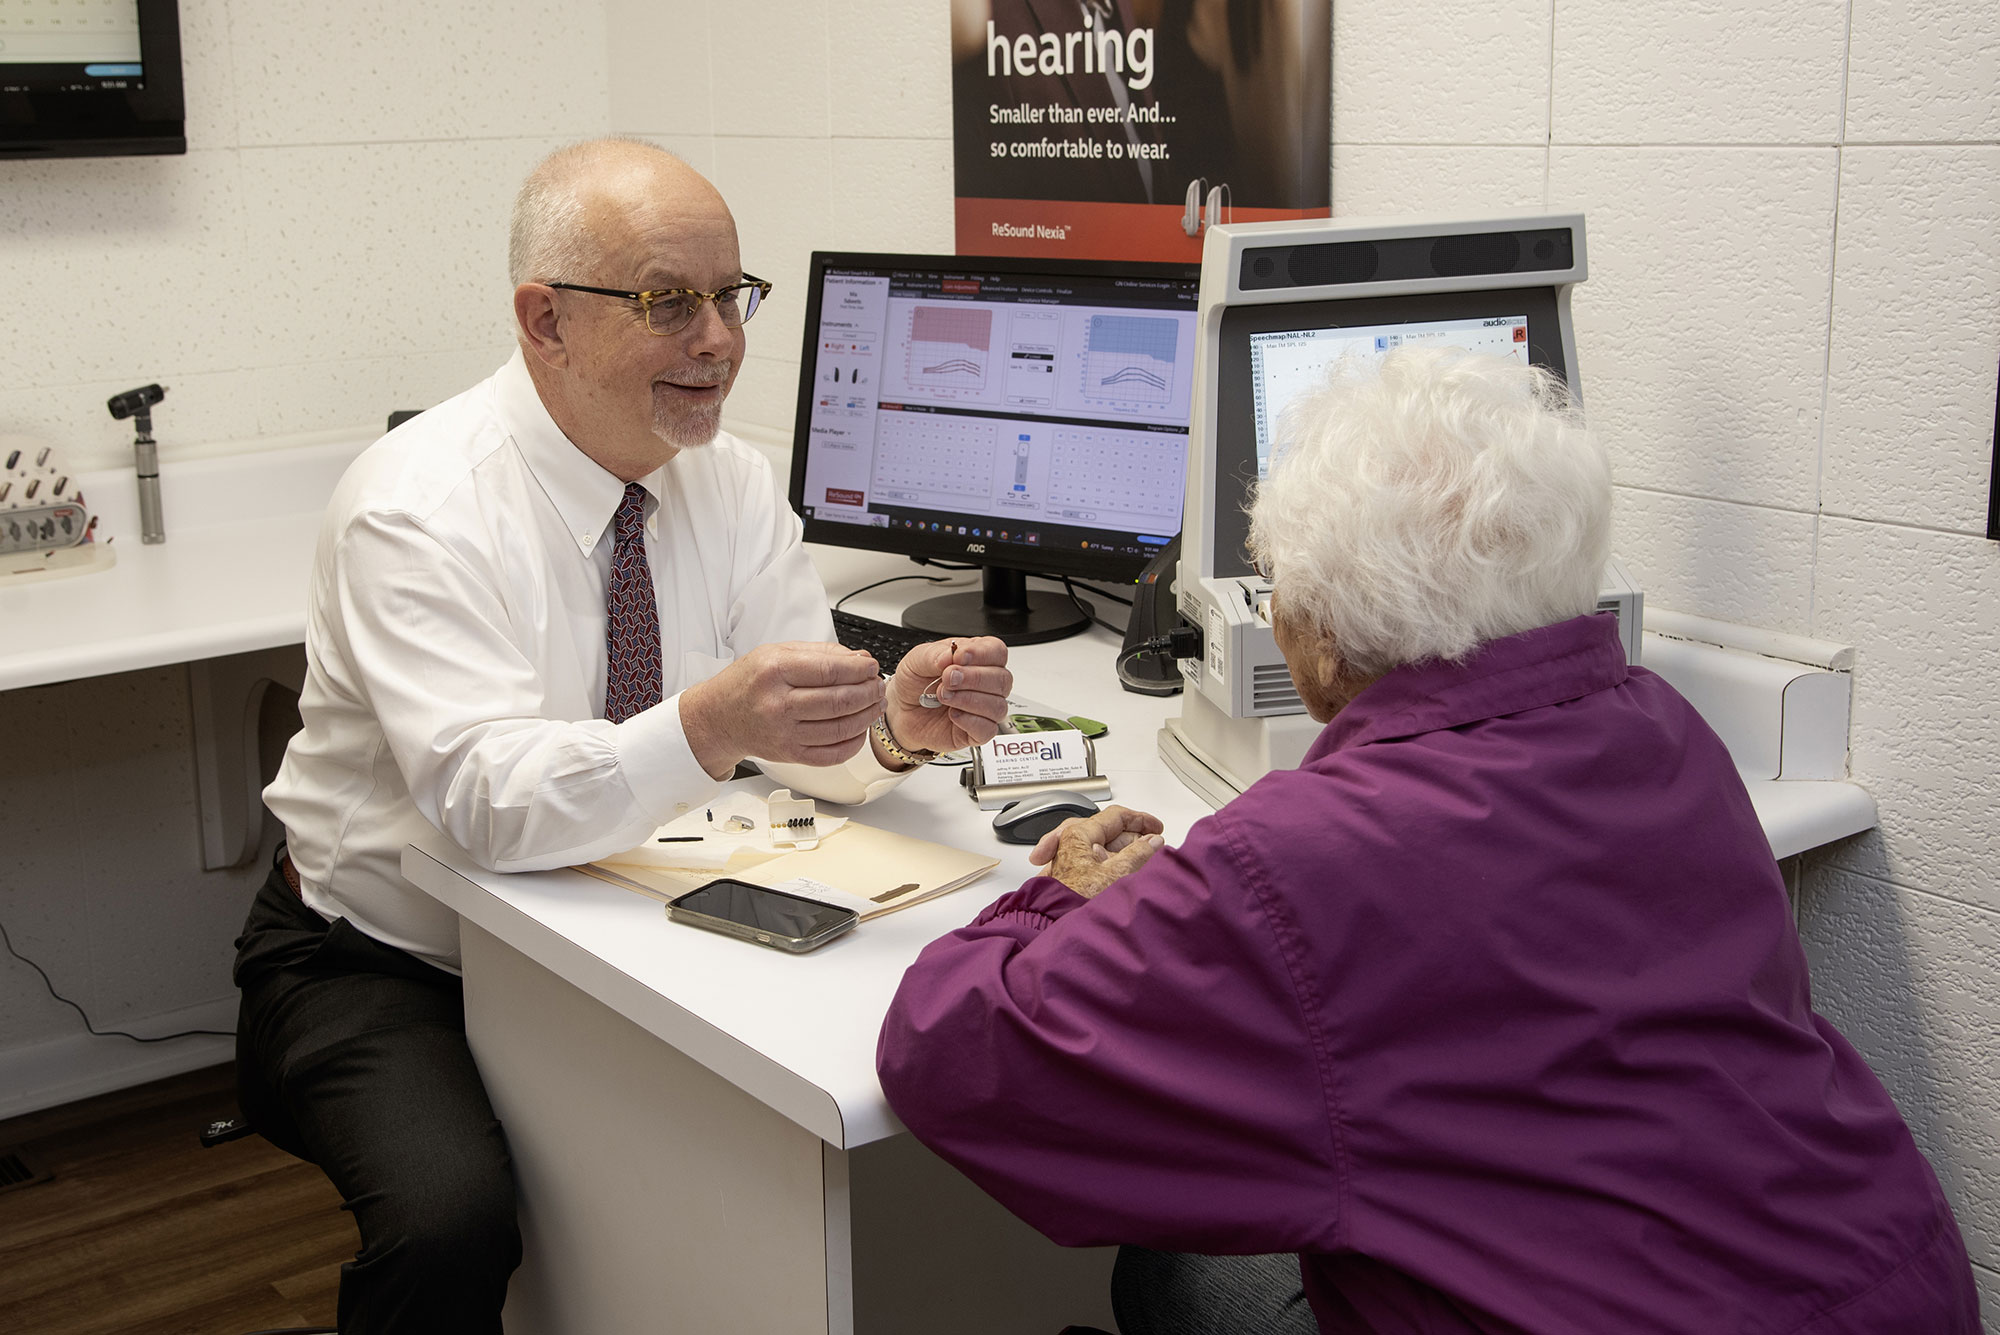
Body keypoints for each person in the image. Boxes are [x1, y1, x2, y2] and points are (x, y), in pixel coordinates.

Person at [877, 348, 1979, 1334]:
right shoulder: (1661, 730)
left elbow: (948, 1054)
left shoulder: (1294, 859)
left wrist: (1069, 897)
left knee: (1177, 1269)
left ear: (1318, 627)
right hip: (1888, 1282)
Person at [233, 137, 1013, 1334]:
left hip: (631, 928)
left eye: (730, 296)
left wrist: (888, 732)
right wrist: (706, 722)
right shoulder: (415, 511)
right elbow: (489, 808)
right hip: (390, 959)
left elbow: (786, 738)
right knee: (450, 1222)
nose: (720, 341)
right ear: (543, 320)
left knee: (773, 1145)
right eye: (666, 303)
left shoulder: (729, 481)